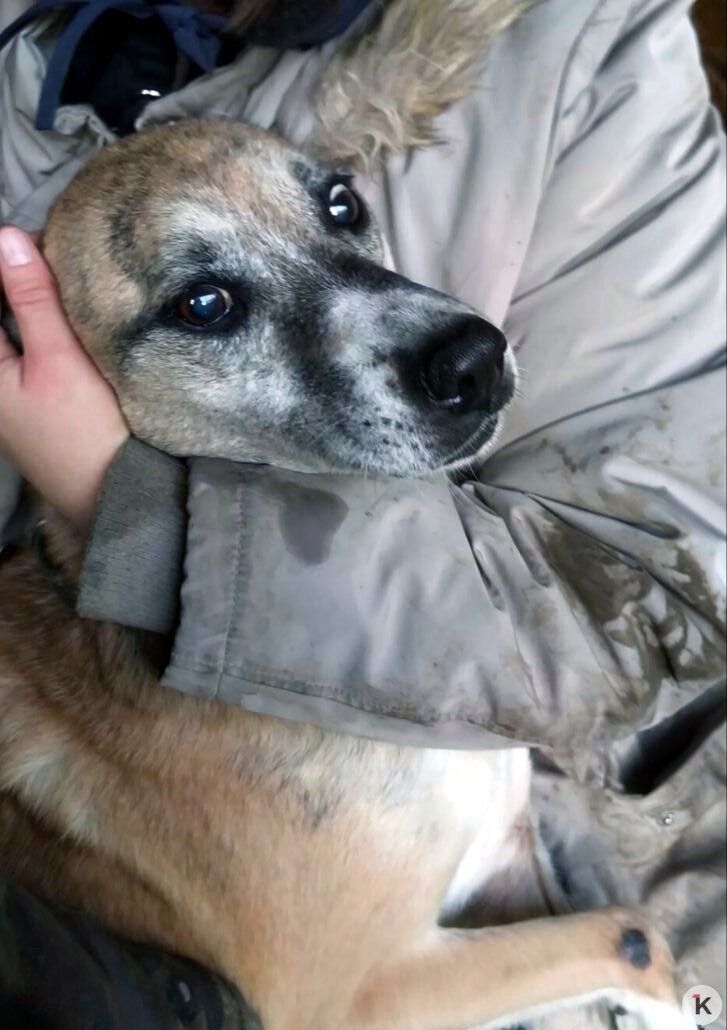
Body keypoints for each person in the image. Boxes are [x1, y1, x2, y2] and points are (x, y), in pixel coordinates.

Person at [1, 1, 725, 1027]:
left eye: (338, 210)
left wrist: (125, 506)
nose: (438, 336)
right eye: (208, 306)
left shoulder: (583, 42)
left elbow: (654, 581)